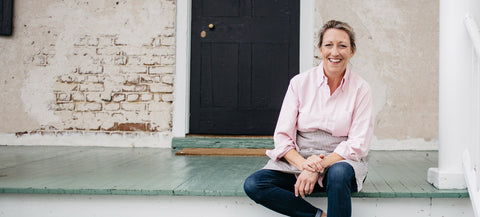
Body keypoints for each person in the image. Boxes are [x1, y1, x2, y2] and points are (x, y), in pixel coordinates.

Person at [243, 20, 375, 217]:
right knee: (255, 184)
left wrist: (319, 166)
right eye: (329, 45)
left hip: (341, 160)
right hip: (299, 160)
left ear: (352, 51)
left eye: (342, 46)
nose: (335, 52)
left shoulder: (361, 89)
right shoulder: (299, 83)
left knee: (338, 174)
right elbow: (283, 137)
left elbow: (358, 144)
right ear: (320, 49)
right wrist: (305, 166)